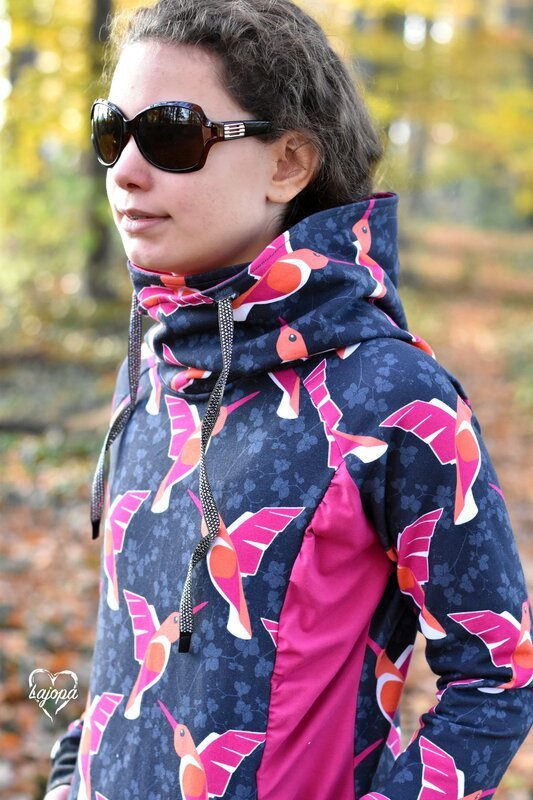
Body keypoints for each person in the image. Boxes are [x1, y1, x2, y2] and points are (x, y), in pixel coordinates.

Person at [44, 1, 533, 798]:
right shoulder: (154, 362)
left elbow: (497, 675)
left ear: (288, 163)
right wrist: (72, 774)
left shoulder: (395, 400)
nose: (126, 169)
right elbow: (131, 641)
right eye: (112, 133)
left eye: (170, 135)